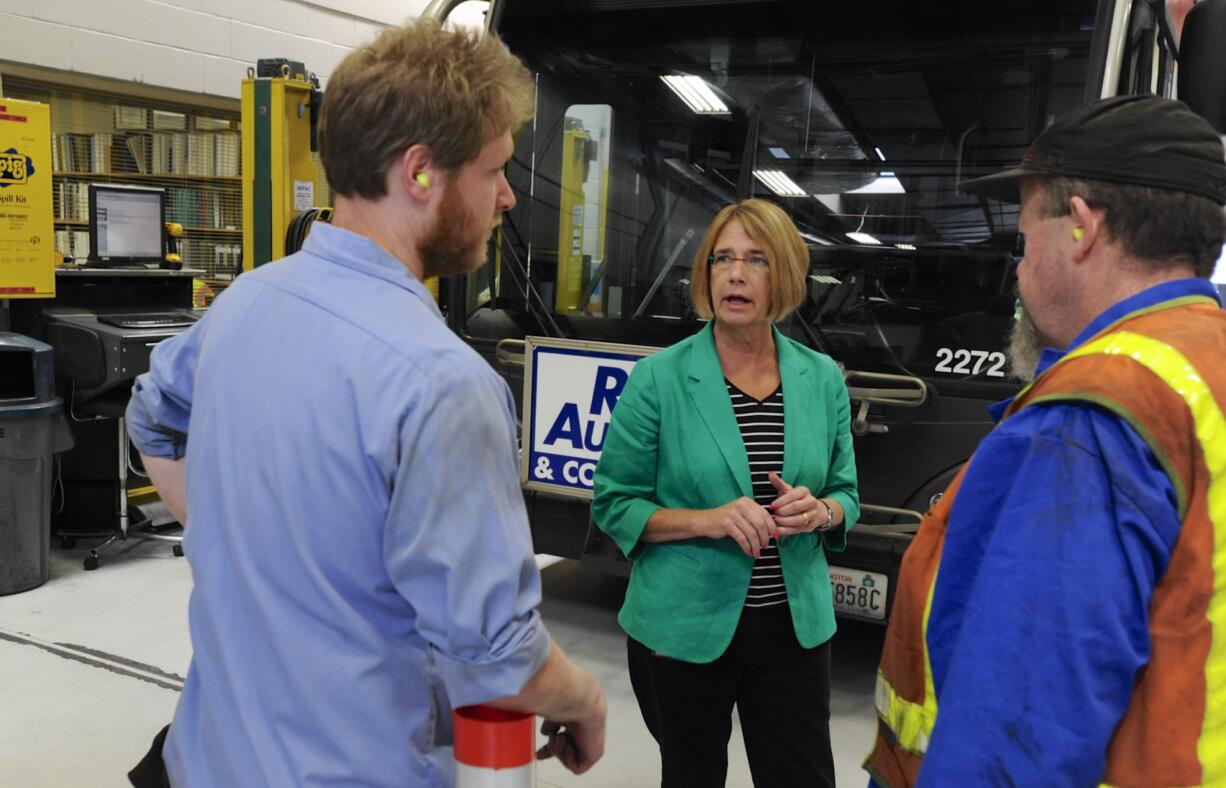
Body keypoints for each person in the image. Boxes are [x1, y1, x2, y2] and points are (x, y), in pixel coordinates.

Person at [124, 20, 606, 787]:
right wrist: (584, 699)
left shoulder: (244, 303)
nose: (508, 196)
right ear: (420, 173)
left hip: (207, 759)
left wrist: (238, 544)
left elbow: (150, 416)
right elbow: (498, 663)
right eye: (494, 170)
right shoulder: (443, 382)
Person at [865, 95, 1226, 786]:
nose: (1020, 271)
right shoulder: (1203, 368)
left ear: (1082, 229)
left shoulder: (1090, 416)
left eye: (1024, 241)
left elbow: (1018, 739)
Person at [592, 198, 860, 787]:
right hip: (685, 626)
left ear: (784, 275)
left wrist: (821, 512)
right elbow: (615, 503)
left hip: (793, 627)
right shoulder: (658, 380)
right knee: (692, 776)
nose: (735, 274)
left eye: (756, 260)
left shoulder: (821, 378)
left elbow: (846, 493)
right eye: (723, 259)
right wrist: (707, 521)